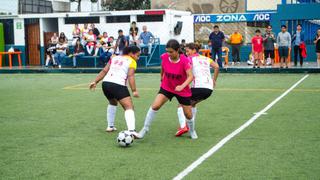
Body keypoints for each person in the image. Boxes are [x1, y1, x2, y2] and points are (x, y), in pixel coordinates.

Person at [138, 39, 195, 139]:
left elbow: (190, 76)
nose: (168, 54)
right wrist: (161, 76)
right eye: (167, 51)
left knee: (188, 115)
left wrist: (182, 86)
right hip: (167, 87)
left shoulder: (184, 60)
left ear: (177, 51)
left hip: (182, 90)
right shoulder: (164, 57)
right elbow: (163, 66)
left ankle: (192, 131)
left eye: (171, 52)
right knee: (155, 106)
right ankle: (145, 129)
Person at [89, 46, 141, 137]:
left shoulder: (114, 58)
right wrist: (134, 90)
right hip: (118, 85)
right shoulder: (132, 61)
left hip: (106, 84)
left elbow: (104, 70)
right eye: (137, 55)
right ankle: (132, 131)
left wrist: (95, 81)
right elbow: (131, 76)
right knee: (129, 107)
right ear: (131, 54)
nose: (138, 58)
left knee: (112, 102)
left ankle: (110, 126)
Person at [175, 43, 219, 137]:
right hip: (209, 89)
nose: (186, 53)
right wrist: (214, 80)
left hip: (199, 87)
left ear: (194, 50)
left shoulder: (189, 59)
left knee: (181, 104)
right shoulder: (206, 58)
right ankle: (191, 126)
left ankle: (184, 126)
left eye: (188, 51)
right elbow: (217, 67)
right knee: (193, 104)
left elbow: (185, 70)